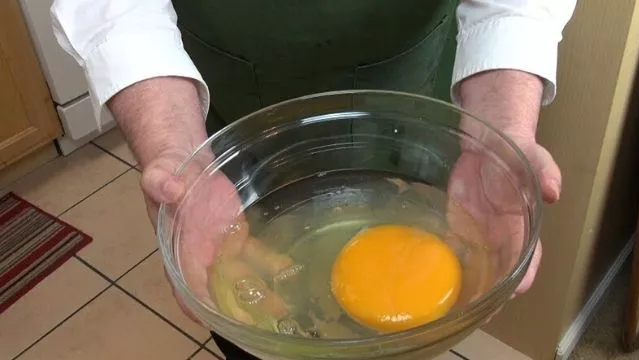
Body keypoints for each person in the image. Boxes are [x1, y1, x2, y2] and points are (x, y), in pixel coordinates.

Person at [51, 1, 576, 358]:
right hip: (228, 130)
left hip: (412, 108)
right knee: (246, 313)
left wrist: (501, 130)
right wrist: (174, 148)